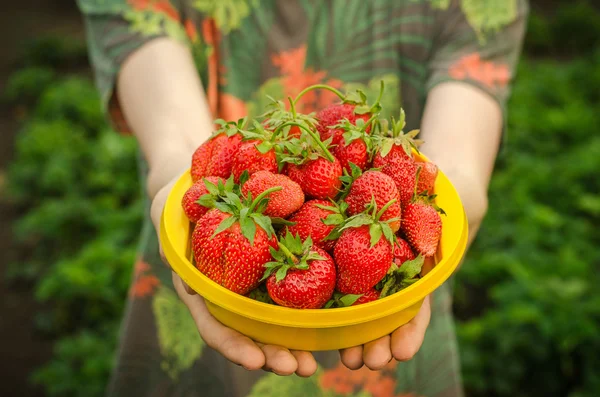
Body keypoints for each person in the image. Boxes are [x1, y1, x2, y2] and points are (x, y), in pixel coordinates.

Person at [77, 1, 528, 396]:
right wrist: (178, 181)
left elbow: (456, 169)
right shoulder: (263, 192)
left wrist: (448, 207)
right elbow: (152, 67)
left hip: (389, 314)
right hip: (205, 288)